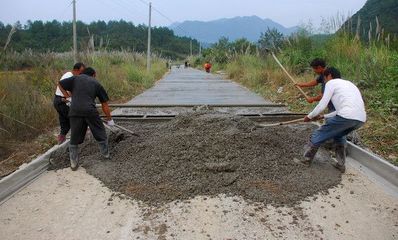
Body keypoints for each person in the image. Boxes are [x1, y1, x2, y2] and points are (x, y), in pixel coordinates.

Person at [298, 67, 366, 173]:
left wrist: (309, 116)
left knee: (318, 134)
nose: (325, 81)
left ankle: (305, 160)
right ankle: (341, 164)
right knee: (339, 136)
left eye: (324, 78)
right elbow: (341, 110)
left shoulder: (331, 83)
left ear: (329, 75)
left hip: (346, 117)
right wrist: (323, 117)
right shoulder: (349, 84)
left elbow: (322, 104)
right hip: (360, 119)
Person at [58, 67, 115, 171]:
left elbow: (60, 83)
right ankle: (106, 156)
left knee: (74, 138)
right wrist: (109, 119)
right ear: (93, 75)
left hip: (74, 111)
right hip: (90, 111)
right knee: (100, 133)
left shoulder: (75, 79)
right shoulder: (96, 83)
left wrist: (68, 97)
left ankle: (74, 163)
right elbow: (104, 104)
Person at [53, 63, 85, 144]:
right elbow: (63, 86)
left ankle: (61, 140)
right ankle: (76, 141)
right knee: (76, 119)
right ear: (76, 70)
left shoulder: (73, 77)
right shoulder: (69, 76)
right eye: (81, 72)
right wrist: (68, 98)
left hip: (60, 101)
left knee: (65, 124)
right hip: (61, 101)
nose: (81, 74)